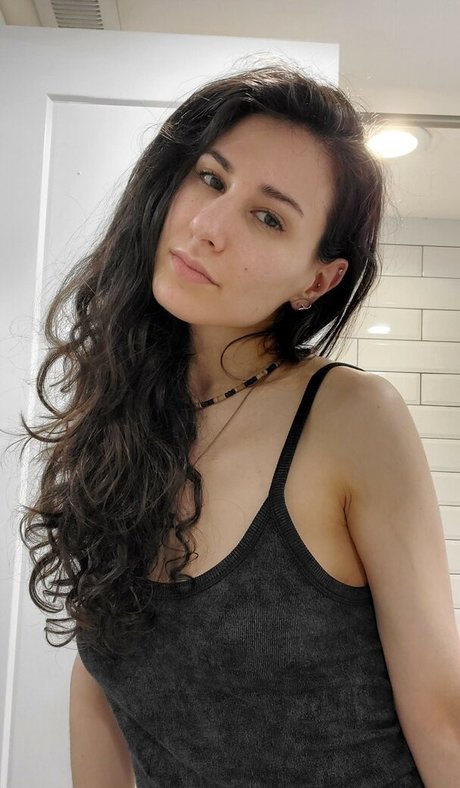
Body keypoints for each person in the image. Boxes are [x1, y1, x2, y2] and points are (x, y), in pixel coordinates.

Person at [20, 64, 460, 787]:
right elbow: (100, 678)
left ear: (317, 280)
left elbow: (444, 721)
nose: (208, 227)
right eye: (211, 179)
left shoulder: (351, 418)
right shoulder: (119, 424)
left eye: (269, 217)